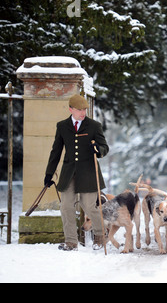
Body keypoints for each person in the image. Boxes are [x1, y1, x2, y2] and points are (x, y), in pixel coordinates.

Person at [44, 94, 109, 251]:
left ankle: (100, 236)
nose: (82, 112)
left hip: (88, 172)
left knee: (89, 206)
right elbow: (56, 151)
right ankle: (71, 242)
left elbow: (104, 147)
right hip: (69, 173)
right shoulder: (62, 126)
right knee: (66, 206)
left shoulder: (94, 126)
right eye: (79, 110)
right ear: (70, 109)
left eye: (84, 109)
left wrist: (98, 150)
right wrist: (49, 173)